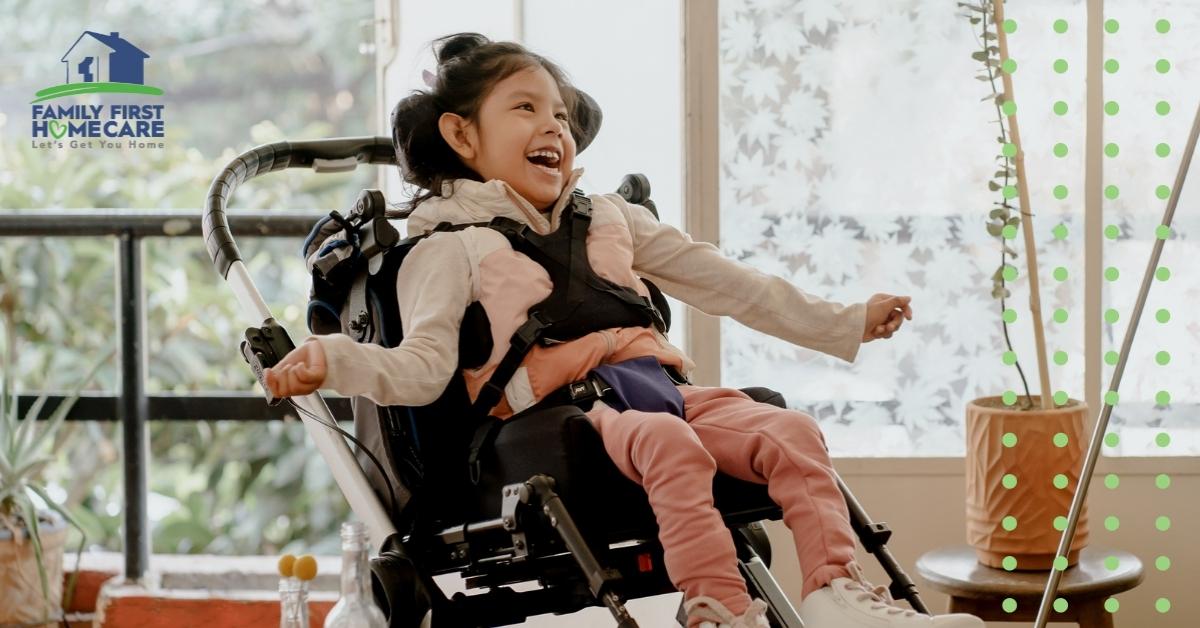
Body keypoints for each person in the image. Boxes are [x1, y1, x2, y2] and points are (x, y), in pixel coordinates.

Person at [265, 32, 982, 628]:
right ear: (460, 134)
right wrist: (332, 359)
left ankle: (840, 596)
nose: (555, 128)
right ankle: (719, 608)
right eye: (525, 108)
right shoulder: (448, 249)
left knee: (788, 429)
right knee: (669, 442)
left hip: (662, 389)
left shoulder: (609, 218)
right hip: (569, 416)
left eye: (563, 116)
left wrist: (845, 320)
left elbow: (735, 285)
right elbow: (421, 367)